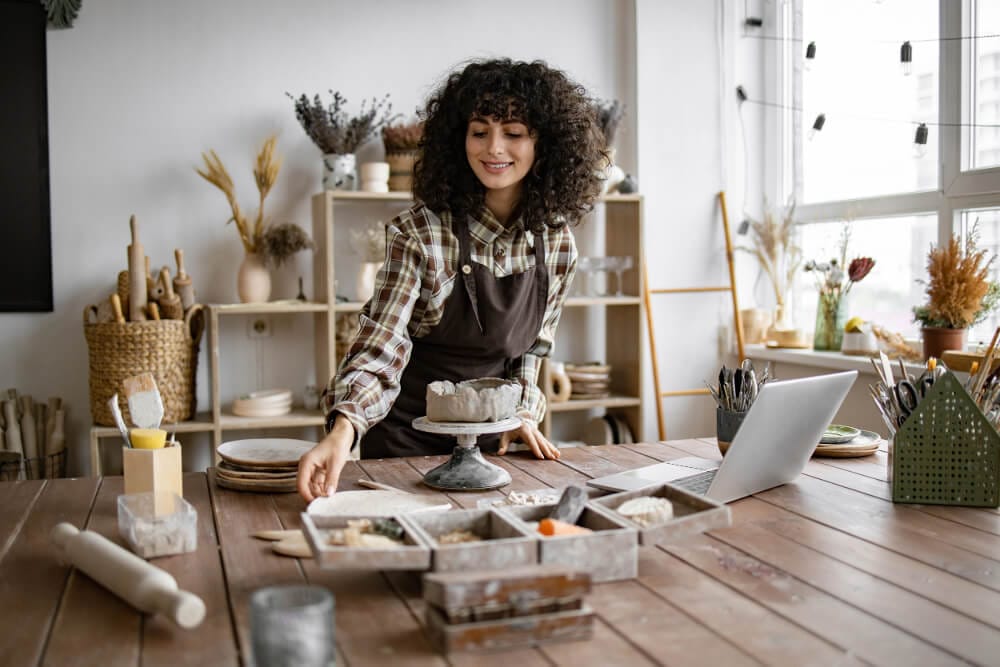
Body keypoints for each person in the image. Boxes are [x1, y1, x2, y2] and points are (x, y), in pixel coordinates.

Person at [297, 58, 606, 501]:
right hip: (405, 450)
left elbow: (531, 350)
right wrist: (343, 430)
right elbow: (382, 342)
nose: (493, 148)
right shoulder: (421, 233)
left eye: (513, 133)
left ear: (547, 145)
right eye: (479, 131)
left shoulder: (556, 243)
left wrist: (522, 413)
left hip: (490, 450)